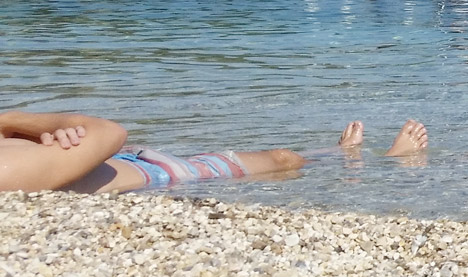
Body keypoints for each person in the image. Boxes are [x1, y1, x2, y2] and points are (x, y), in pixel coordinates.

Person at [0, 110, 428, 194]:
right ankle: (386, 161)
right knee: (282, 159)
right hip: (158, 173)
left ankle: (341, 154)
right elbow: (108, 131)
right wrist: (11, 120)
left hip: (133, 162)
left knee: (284, 157)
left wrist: (47, 139)